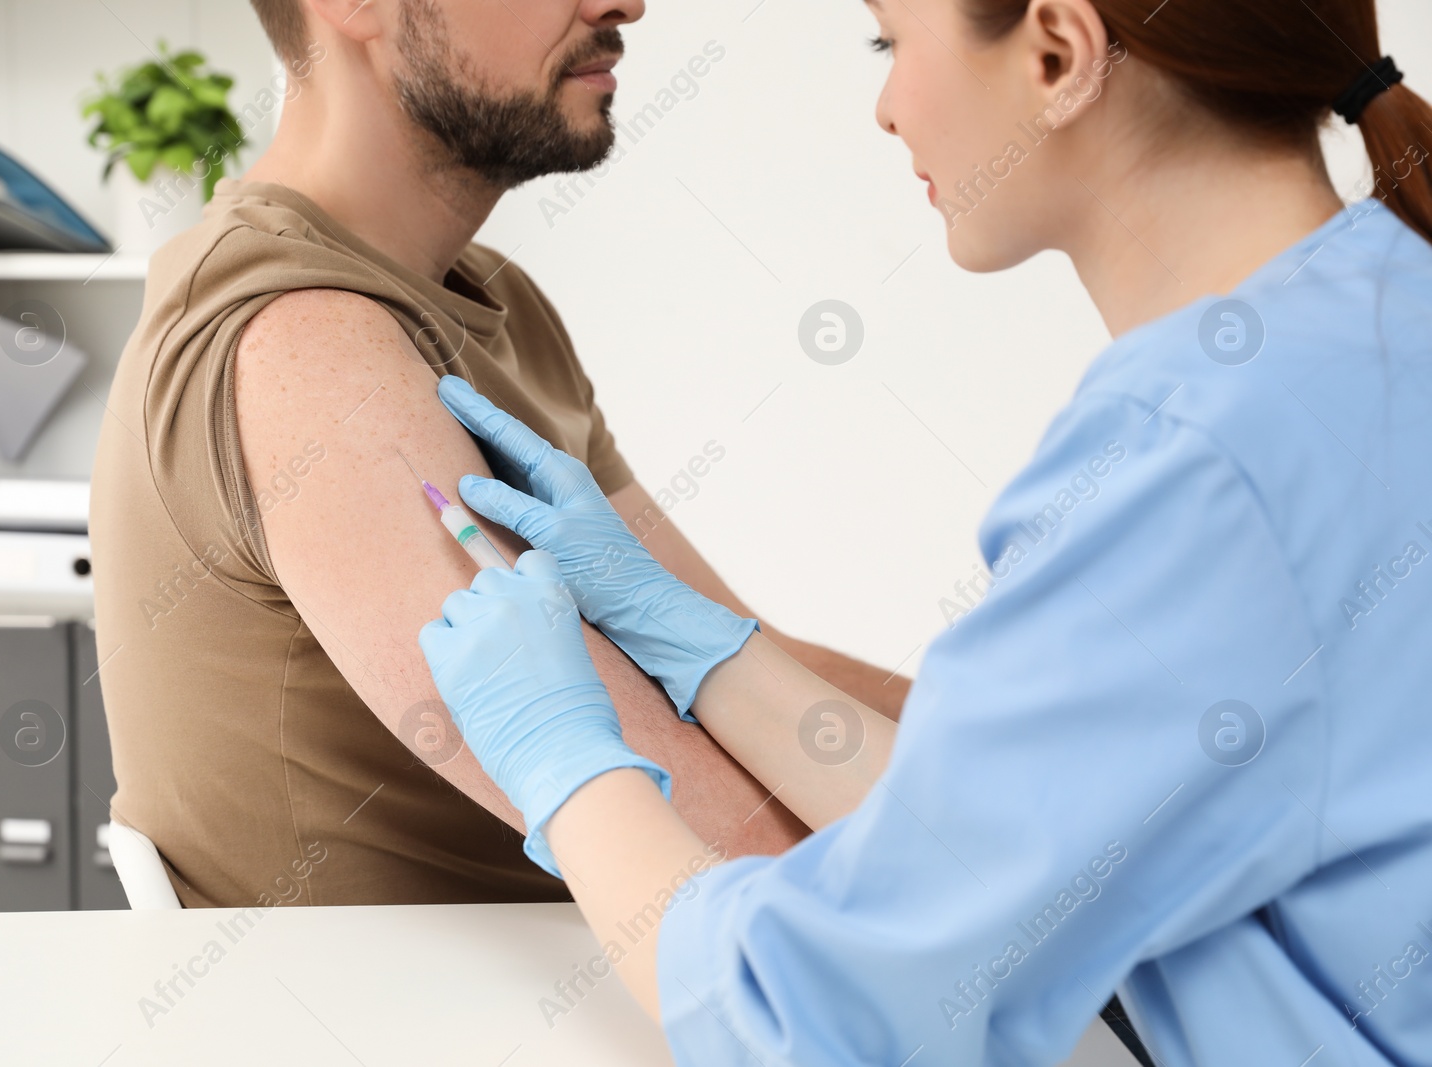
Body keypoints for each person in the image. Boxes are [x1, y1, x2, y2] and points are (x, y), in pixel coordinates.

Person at [416, 0, 1432, 1062]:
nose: (886, 109)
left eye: (889, 43)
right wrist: (686, 634)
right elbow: (1012, 838)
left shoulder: (1193, 464)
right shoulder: (1371, 313)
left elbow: (814, 1016)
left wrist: (562, 759)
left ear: (1056, 52)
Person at [89, 0, 908, 908]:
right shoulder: (307, 343)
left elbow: (748, 666)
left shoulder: (493, 297)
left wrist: (1035, 741)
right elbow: (748, 869)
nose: (626, 4)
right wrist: (1006, 827)